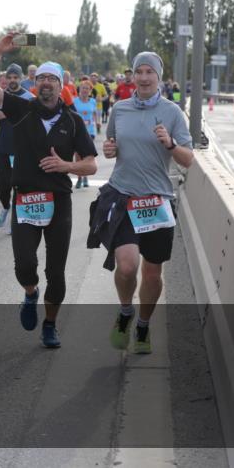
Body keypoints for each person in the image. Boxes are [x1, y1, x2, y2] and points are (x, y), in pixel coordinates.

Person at [0, 38, 97, 349]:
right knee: (25, 265)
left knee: (56, 272)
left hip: (59, 202)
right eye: (41, 78)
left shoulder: (72, 121)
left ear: (61, 86)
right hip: (26, 199)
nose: (46, 83)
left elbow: (91, 165)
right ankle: (30, 294)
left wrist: (65, 166)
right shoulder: (21, 108)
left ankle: (50, 325)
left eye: (52, 79)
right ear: (34, 83)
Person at [88, 52, 194, 355]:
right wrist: (109, 149)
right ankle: (125, 312)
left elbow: (188, 160)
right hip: (123, 198)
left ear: (159, 77)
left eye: (150, 72)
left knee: (151, 273)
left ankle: (144, 325)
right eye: (139, 71)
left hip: (157, 201)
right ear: (132, 76)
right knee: (126, 265)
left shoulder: (172, 112)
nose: (144, 77)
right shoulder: (120, 109)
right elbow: (111, 147)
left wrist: (170, 144)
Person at [0, 64, 29, 230]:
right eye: (10, 77)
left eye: (16, 77)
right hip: (3, 147)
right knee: (3, 186)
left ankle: (15, 219)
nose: (13, 81)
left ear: (21, 78)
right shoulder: (1, 96)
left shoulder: (29, 97)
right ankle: (6, 207)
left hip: (20, 149)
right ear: (6, 79)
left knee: (18, 185)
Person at [72, 80, 100, 188]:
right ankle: (79, 178)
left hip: (90, 131)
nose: (84, 90)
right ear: (79, 90)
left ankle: (86, 177)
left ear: (90, 91)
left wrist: (98, 122)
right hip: (77, 131)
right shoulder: (74, 101)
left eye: (87, 89)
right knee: (78, 156)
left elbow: (95, 114)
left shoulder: (92, 101)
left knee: (88, 156)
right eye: (83, 88)